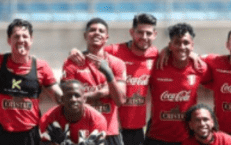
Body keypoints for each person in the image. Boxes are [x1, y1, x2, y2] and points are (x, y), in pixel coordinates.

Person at [69, 13, 159, 145]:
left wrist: (191, 54)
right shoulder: (114, 51)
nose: (144, 37)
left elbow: (177, 52)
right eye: (140, 33)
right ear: (132, 32)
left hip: (137, 128)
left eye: (148, 33)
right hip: (113, 126)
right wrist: (74, 52)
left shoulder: (156, 55)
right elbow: (92, 51)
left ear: (155, 34)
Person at [0, 18, 62, 145]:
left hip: (30, 135)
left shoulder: (41, 66)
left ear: (31, 39)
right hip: (3, 133)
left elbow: (59, 97)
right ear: (9, 40)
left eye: (25, 36)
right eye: (16, 36)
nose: (21, 40)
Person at [62, 18, 127, 145]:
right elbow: (66, 100)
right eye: (92, 30)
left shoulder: (117, 63)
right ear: (85, 35)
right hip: (82, 133)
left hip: (110, 133)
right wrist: (102, 92)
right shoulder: (72, 63)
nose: (97, 33)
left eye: (101, 31)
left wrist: (108, 74)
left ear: (106, 37)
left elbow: (120, 100)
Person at [144, 23, 210, 145]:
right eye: (177, 43)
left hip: (187, 138)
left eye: (186, 43)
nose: (182, 47)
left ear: (192, 46)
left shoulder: (200, 68)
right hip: (156, 137)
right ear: (170, 45)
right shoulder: (157, 64)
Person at [40, 80, 107, 145]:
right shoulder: (48, 119)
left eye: (77, 95)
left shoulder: (97, 119)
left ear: (84, 99)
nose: (73, 99)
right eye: (69, 96)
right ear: (62, 99)